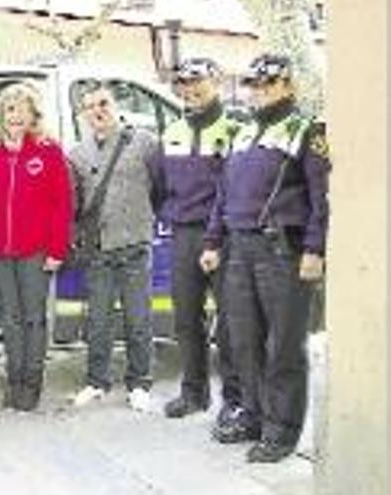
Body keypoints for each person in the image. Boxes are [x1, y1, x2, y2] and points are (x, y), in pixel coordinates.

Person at [200, 54, 330, 463]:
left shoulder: (307, 130)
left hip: (283, 250)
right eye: (254, 84)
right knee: (244, 343)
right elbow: (223, 193)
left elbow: (321, 196)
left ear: (288, 86)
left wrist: (314, 249)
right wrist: (212, 240)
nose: (260, 91)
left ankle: (282, 430)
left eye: (268, 84)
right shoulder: (241, 130)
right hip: (239, 248)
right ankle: (254, 416)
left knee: (283, 347)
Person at [149, 58, 242, 422]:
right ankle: (194, 394)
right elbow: (158, 187)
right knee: (186, 319)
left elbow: (242, 186)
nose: (190, 90)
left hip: (224, 235)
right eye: (184, 84)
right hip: (184, 234)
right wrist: (172, 216)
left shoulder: (235, 129)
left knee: (232, 321)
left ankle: (234, 399)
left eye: (198, 82)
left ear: (215, 82)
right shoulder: (171, 131)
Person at [0, 82, 72, 411]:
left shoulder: (48, 152)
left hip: (36, 250)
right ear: (1, 116)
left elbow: (62, 204)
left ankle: (32, 384)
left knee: (33, 318)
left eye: (22, 109)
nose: (16, 116)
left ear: (33, 115)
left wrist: (58, 249)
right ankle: (13, 381)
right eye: (10, 109)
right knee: (10, 318)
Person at [68, 82, 158, 412]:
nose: (98, 111)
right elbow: (75, 204)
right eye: (90, 106)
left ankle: (140, 384)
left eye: (103, 103)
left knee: (138, 320)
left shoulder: (145, 143)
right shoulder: (76, 154)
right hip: (99, 251)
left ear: (115, 105)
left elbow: (160, 187)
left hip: (135, 244)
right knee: (99, 322)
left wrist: (144, 221)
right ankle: (97, 381)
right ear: (84, 115)